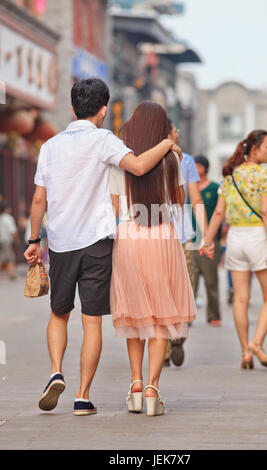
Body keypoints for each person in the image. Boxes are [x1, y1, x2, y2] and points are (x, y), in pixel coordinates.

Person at [24, 79, 180, 416]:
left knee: (58, 313)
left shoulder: (49, 146)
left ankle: (55, 371)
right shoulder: (104, 140)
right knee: (91, 321)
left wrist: (35, 240)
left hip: (61, 242)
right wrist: (167, 143)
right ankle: (83, 396)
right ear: (104, 110)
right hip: (96, 242)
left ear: (72, 108)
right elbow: (139, 167)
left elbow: (39, 198)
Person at [109, 102, 197, 416]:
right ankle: (152, 390)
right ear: (161, 128)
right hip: (162, 237)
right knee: (161, 315)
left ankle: (134, 383)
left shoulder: (119, 157)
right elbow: (179, 200)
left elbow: (115, 206)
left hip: (130, 236)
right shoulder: (173, 157)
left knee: (134, 316)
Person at [202, 130, 267, 369]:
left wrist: (206, 241)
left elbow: (218, 213)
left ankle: (245, 352)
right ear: (254, 149)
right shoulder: (263, 174)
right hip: (257, 236)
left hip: (234, 238)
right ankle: (257, 342)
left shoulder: (230, 176)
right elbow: (266, 212)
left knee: (240, 299)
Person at [164, 119, 212, 367]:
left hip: (171, 236)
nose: (178, 132)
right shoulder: (151, 159)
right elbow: (195, 199)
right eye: (175, 130)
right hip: (169, 237)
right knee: (175, 289)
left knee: (174, 288)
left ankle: (172, 341)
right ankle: (170, 342)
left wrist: (205, 234)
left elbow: (195, 199)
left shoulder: (186, 161)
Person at [192, 155, 222, 326]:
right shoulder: (189, 187)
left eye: (198, 165)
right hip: (191, 239)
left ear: (205, 167)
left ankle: (214, 315)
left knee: (211, 280)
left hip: (210, 240)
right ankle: (187, 316)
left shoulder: (215, 188)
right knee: (190, 280)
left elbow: (220, 214)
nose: (195, 168)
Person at [0, 202, 18, 280]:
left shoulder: (1, 217)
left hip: (1, 240)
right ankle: (12, 274)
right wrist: (16, 239)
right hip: (7, 240)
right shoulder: (8, 218)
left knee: (6, 257)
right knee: (8, 258)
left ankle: (11, 274)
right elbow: (12, 230)